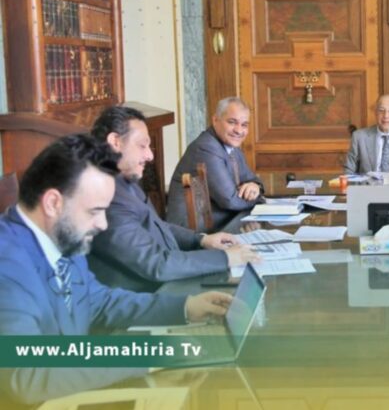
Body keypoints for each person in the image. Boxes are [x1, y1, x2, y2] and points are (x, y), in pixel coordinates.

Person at [0, 135, 232, 404]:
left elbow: (98, 302)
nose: (102, 224)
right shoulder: (7, 263)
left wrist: (186, 307)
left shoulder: (61, 237)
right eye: (94, 211)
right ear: (53, 203)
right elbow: (27, 374)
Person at [89, 106, 260, 292]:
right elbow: (156, 264)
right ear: (115, 141)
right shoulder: (106, 198)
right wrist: (226, 258)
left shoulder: (124, 182)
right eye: (142, 146)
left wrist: (201, 240)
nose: (150, 156)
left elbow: (157, 226)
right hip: (147, 296)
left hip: (168, 278)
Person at [167, 97, 264, 232]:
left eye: (244, 125)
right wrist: (259, 199)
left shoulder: (231, 145)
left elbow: (251, 178)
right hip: (193, 231)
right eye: (232, 122)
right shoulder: (206, 148)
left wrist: (255, 186)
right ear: (215, 120)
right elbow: (230, 200)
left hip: (223, 221)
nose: (238, 130)